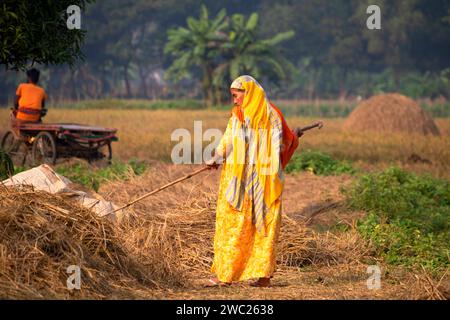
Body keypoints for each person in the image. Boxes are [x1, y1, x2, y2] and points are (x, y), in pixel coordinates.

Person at [205, 75, 303, 287]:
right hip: (243, 180)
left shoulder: (271, 115)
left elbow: (277, 145)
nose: (234, 100)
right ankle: (227, 274)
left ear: (247, 92)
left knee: (259, 228)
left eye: (236, 95)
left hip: (259, 181)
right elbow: (229, 140)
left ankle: (259, 277)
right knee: (238, 226)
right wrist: (217, 157)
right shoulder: (241, 114)